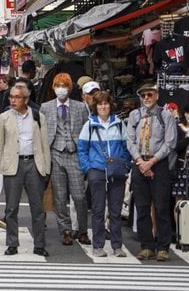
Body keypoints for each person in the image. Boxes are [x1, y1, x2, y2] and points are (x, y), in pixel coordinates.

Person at [0, 81, 51, 257]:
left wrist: (46, 168)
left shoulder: (37, 117)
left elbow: (44, 144)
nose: (13, 100)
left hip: (34, 163)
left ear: (26, 99)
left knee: (37, 207)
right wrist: (1, 167)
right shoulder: (4, 117)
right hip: (13, 164)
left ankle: (40, 244)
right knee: (11, 207)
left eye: (17, 97)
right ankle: (12, 243)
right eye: (11, 97)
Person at [124, 81, 178, 262]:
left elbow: (170, 142)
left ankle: (163, 247)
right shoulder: (134, 115)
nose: (146, 98)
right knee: (142, 207)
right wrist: (140, 162)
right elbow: (129, 141)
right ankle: (146, 245)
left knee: (162, 206)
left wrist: (152, 162)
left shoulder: (166, 115)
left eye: (150, 95)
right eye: (143, 95)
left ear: (157, 96)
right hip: (139, 163)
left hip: (159, 163)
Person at [40, 71, 91, 246]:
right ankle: (66, 230)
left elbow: (86, 132)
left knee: (79, 196)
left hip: (75, 153)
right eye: (58, 86)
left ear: (70, 89)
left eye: (64, 86)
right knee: (60, 197)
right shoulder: (45, 107)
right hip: (55, 153)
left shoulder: (81, 107)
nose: (61, 89)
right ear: (53, 88)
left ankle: (82, 230)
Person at [78, 91, 131, 258]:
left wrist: (126, 164)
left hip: (116, 170)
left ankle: (117, 246)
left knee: (115, 211)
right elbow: (82, 149)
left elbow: (126, 147)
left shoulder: (119, 123)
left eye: (106, 103)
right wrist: (88, 168)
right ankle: (98, 245)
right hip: (97, 170)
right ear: (95, 106)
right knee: (98, 210)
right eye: (100, 104)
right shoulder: (89, 125)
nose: (103, 107)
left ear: (110, 105)